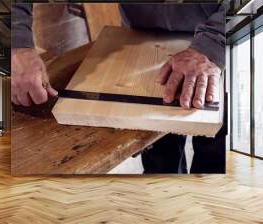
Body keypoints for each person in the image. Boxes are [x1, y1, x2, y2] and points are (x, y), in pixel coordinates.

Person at [12, 3, 227, 173]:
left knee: (214, 152)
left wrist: (213, 42)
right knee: (160, 156)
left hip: (218, 39)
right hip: (142, 34)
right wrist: (17, 43)